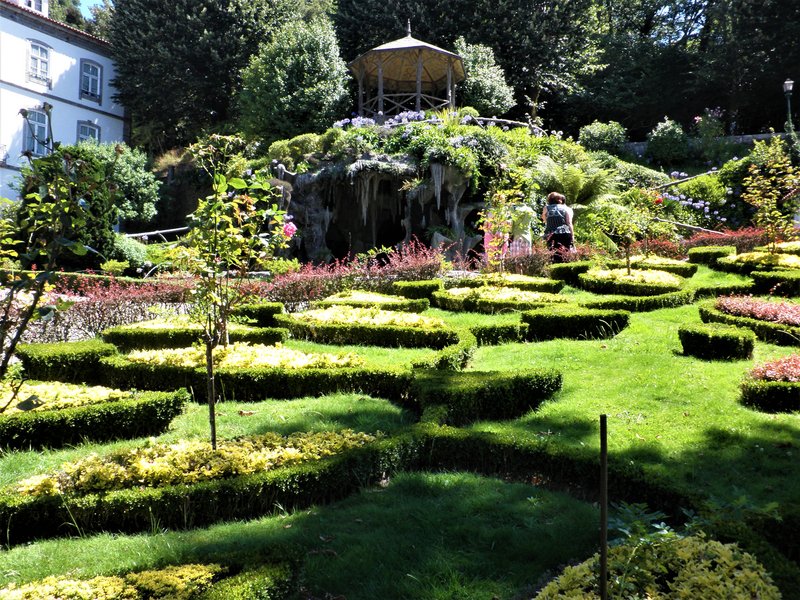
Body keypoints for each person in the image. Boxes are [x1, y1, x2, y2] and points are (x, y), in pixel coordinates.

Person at [541, 192, 573, 258]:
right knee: (566, 255)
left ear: (549, 200)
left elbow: (543, 218)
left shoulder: (546, 208)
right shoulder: (565, 208)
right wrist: (572, 235)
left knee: (553, 255)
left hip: (551, 234)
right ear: (559, 200)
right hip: (565, 233)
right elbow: (569, 223)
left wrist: (549, 222)